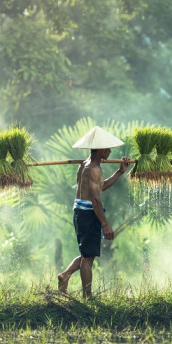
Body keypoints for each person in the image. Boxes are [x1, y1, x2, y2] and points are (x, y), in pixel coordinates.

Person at [57, 126, 131, 298]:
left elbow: (101, 186)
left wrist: (120, 172)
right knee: (88, 259)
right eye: (107, 148)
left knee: (86, 254)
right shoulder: (94, 169)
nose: (110, 151)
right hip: (88, 213)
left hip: (80, 211)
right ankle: (87, 297)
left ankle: (65, 275)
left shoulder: (85, 164)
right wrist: (105, 224)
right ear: (99, 150)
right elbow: (96, 200)